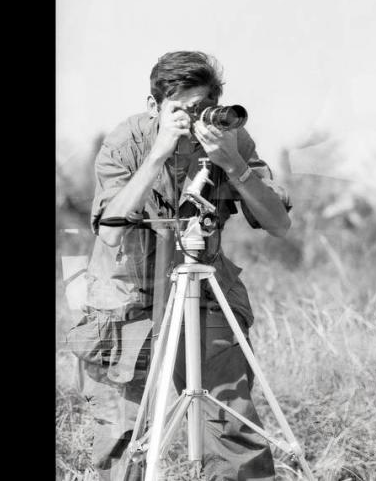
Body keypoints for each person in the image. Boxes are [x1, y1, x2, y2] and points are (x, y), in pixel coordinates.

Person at [69, 51, 293, 481]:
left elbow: (279, 224)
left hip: (203, 286)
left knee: (231, 423)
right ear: (154, 106)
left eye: (200, 107)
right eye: (180, 110)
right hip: (127, 295)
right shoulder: (126, 142)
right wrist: (157, 154)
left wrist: (234, 165)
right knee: (124, 436)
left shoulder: (231, 140)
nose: (193, 119)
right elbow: (110, 231)